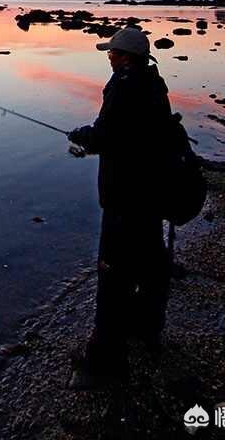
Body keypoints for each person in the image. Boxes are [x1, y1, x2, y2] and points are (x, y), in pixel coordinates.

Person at [67, 26, 173, 387]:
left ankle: (105, 363)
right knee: (149, 264)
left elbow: (108, 134)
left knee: (112, 276)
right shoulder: (154, 83)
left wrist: (83, 136)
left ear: (125, 56)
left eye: (111, 52)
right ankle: (147, 329)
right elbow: (131, 135)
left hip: (125, 199)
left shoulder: (124, 86)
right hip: (151, 195)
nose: (108, 57)